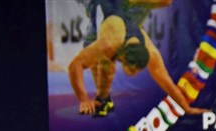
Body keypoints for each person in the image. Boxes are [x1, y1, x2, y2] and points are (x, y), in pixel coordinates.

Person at [66, 1, 196, 118]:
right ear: (124, 57)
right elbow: (74, 65)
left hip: (118, 15)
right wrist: (84, 99)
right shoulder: (110, 43)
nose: (133, 75)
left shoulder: (149, 50)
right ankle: (103, 98)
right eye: (132, 70)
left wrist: (187, 108)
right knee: (104, 62)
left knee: (107, 61)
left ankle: (102, 98)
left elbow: (168, 83)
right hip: (99, 9)